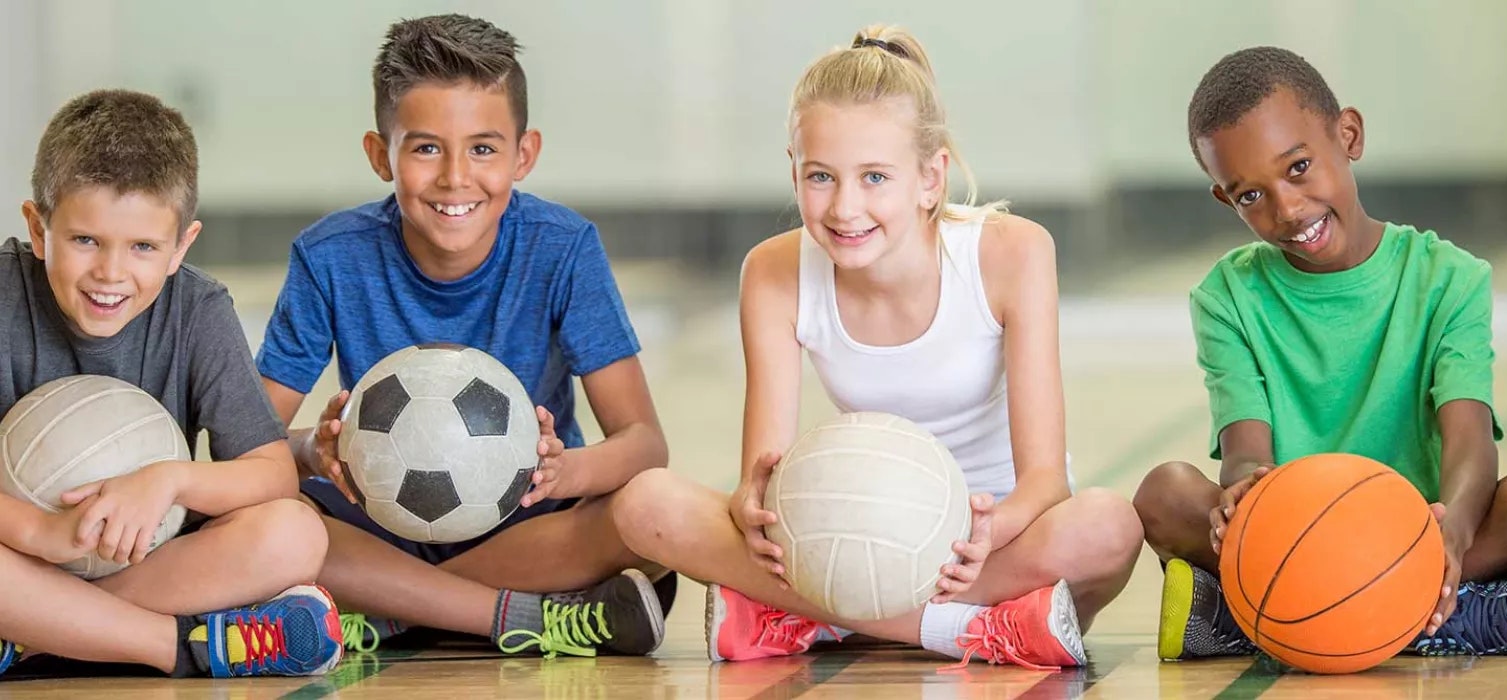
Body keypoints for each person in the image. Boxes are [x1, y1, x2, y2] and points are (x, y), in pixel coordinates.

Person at [612, 24, 1144, 671]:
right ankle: (972, 631)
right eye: (820, 176)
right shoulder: (772, 272)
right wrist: (749, 504)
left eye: (874, 177)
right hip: (853, 527)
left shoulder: (1014, 253)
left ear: (930, 177)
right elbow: (763, 472)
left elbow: (1043, 483)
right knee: (645, 504)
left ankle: (820, 620)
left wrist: (989, 533)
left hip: (995, 542)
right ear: (793, 170)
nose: (844, 207)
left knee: (1110, 527)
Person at [1134, 46, 1507, 661]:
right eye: (1250, 196)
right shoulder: (1226, 296)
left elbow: (1468, 439)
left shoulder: (1449, 277)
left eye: (1299, 167)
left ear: (1348, 135)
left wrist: (1453, 533)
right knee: (1164, 493)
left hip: (1422, 533)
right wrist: (1243, 493)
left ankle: (1269, 619)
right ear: (1226, 199)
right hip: (1295, 536)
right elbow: (1247, 450)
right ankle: (1457, 617)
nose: (1287, 209)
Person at [256, 14, 673, 658]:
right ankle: (525, 616)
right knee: (267, 522)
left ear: (523, 154)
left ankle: (393, 611)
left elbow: (644, 444)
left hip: (525, 523)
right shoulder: (330, 257)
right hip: (375, 524)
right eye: (425, 148)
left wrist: (563, 474)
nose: (455, 177)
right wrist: (316, 449)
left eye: (483, 148)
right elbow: (248, 450)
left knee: (648, 510)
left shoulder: (561, 248)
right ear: (379, 154)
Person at [0, 89, 341, 678]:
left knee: (295, 533)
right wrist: (38, 530)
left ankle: (33, 632)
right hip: (18, 557)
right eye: (85, 240)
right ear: (38, 227)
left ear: (181, 245)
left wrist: (170, 481)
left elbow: (272, 475)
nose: (110, 272)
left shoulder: (198, 310)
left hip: (145, 565)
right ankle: (184, 646)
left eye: (142, 247)